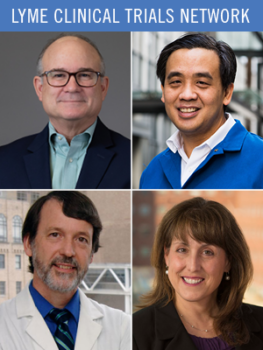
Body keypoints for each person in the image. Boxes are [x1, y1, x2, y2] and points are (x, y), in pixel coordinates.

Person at [0, 191, 130, 350]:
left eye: (81, 239)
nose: (68, 251)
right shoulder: (3, 323)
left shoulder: (123, 328)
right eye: (55, 235)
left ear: (91, 254)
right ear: (28, 244)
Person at [0, 34, 130, 189]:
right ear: (40, 88)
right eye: (59, 75)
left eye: (84, 75)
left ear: (103, 87)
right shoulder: (4, 161)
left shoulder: (131, 161)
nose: (72, 87)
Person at [133, 197, 263, 350]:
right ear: (166, 256)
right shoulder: (135, 332)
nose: (193, 266)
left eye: (207, 252)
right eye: (182, 250)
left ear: (228, 261)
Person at [139, 33, 263, 189]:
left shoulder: (259, 159)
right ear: (163, 92)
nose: (187, 95)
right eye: (176, 82)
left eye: (201, 83)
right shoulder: (153, 171)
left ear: (226, 93)